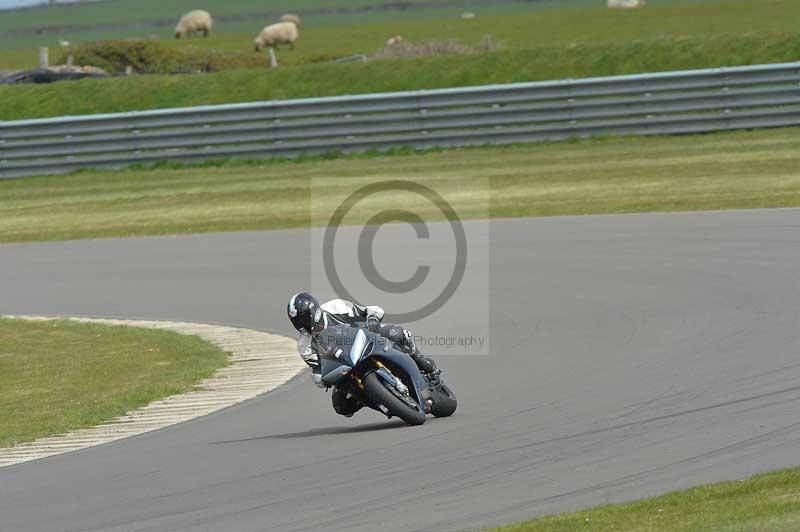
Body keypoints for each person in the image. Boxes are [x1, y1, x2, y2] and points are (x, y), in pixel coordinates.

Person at [287, 292, 437, 417]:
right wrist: (322, 379)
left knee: (396, 333)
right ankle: (377, 397)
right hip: (345, 366)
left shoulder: (335, 307)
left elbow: (371, 310)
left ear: (315, 311)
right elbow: (317, 371)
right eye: (296, 321)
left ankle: (418, 357)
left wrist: (372, 319)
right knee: (342, 407)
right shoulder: (304, 345)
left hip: (368, 339)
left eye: (303, 318)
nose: (301, 324)